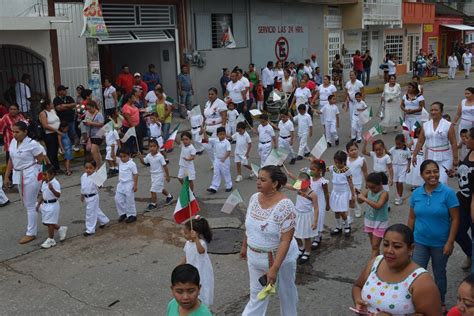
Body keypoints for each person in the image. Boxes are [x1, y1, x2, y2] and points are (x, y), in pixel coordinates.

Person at [240, 165, 299, 315]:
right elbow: (249, 226)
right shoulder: (254, 198)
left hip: (280, 260)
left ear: (275, 183)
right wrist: (244, 246)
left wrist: (274, 268)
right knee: (256, 297)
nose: (258, 182)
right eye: (257, 178)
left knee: (286, 293)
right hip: (254, 259)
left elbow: (286, 240)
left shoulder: (286, 206)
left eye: (263, 179)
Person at [352, 224, 442, 315]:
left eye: (397, 246)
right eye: (386, 245)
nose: (389, 251)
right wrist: (358, 300)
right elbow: (358, 286)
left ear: (411, 249)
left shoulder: (422, 282)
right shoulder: (375, 262)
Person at [408, 159, 460, 308]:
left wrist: (450, 242)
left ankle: (439, 303)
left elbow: (456, 219)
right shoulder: (416, 193)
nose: (433, 175)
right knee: (416, 274)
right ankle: (415, 302)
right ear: (421, 175)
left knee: (439, 275)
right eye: (428, 172)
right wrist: (407, 241)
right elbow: (412, 217)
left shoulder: (448, 193)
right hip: (419, 242)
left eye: (435, 171)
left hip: (441, 244)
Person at [4, 122, 46, 244]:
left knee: (30, 205)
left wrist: (41, 178)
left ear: (25, 132)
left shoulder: (32, 144)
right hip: (18, 175)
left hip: (31, 175)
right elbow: (11, 160)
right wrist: (7, 176)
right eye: (13, 131)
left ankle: (31, 233)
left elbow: (41, 162)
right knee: (29, 203)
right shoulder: (12, 142)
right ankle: (50, 215)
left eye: (17, 132)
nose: (14, 134)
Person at [413, 102, 458, 184]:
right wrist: (414, 155)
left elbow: (453, 143)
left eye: (436, 110)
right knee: (431, 181)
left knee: (442, 181)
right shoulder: (425, 125)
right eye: (432, 110)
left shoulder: (448, 125)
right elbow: (420, 142)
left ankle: (444, 196)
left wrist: (455, 159)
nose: (433, 112)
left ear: (441, 111)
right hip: (430, 157)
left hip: (445, 158)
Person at [180, 216, 214, 307]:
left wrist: (196, 239)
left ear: (194, 233)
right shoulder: (187, 243)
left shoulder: (201, 243)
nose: (183, 234)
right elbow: (186, 255)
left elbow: (201, 251)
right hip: (190, 271)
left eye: (186, 233)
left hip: (201, 271)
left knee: (201, 288)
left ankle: (202, 305)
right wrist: (180, 266)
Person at [285, 172, 318, 264]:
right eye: (300, 183)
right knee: (295, 233)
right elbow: (288, 186)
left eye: (304, 183)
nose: (302, 185)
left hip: (307, 216)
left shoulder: (312, 194)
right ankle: (301, 247)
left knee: (307, 236)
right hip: (297, 214)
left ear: (308, 183)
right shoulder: (299, 188)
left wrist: (315, 221)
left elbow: (316, 208)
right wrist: (280, 182)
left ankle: (307, 251)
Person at [454, 127, 474, 273]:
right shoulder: (470, 152)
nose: (464, 140)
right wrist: (455, 173)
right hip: (462, 201)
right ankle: (470, 253)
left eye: (467, 138)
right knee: (458, 232)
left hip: (472, 205)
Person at [357, 172, 389, 258]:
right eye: (369, 187)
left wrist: (364, 199)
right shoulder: (369, 191)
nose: (371, 189)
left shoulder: (384, 194)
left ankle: (372, 266)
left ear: (380, 184)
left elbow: (378, 206)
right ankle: (377, 262)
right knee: (374, 246)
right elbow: (360, 201)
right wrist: (358, 195)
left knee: (375, 246)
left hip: (380, 222)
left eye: (373, 187)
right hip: (369, 220)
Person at [36, 165, 67, 249]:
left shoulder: (55, 183)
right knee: (45, 222)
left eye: (45, 175)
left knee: (49, 223)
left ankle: (51, 240)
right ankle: (61, 228)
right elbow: (43, 194)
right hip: (45, 204)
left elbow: (58, 195)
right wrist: (39, 203)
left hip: (53, 205)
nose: (43, 176)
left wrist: (52, 189)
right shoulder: (44, 183)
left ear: (52, 174)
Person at [138, 138, 173, 211]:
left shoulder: (160, 156)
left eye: (154, 146)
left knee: (153, 190)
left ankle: (154, 204)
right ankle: (169, 196)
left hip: (159, 175)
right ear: (148, 148)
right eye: (150, 146)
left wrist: (167, 176)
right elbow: (144, 162)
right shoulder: (148, 156)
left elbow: (165, 166)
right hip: (153, 176)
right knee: (160, 188)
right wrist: (140, 157)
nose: (152, 148)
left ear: (157, 147)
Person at [329, 151, 356, 237]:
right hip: (335, 192)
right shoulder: (333, 168)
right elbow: (322, 168)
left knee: (341, 211)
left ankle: (347, 225)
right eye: (335, 162)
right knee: (336, 210)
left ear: (344, 161)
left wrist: (353, 194)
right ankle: (338, 226)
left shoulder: (347, 171)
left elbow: (351, 183)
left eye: (338, 162)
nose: (337, 164)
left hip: (343, 193)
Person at [81, 160, 110, 236]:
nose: (88, 170)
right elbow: (83, 187)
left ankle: (90, 230)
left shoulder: (95, 176)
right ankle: (104, 220)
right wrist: (82, 195)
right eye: (86, 168)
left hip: (93, 197)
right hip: (87, 197)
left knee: (90, 213)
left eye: (90, 168)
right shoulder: (83, 176)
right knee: (95, 210)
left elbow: (100, 185)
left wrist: (99, 183)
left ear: (94, 168)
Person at [205, 126, 232, 194]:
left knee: (225, 173)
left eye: (223, 134)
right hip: (217, 159)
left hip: (224, 160)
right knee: (216, 173)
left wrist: (224, 158)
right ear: (217, 135)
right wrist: (204, 132)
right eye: (220, 134)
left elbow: (228, 151)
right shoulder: (215, 140)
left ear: (225, 134)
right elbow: (206, 139)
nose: (222, 136)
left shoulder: (226, 142)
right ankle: (214, 187)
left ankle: (229, 185)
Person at [115, 148, 138, 224]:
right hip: (121, 183)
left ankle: (132, 215)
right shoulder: (120, 162)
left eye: (124, 156)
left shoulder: (132, 164)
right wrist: (112, 148)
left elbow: (135, 174)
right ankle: (123, 213)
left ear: (129, 155)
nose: (122, 158)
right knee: (118, 199)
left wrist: (135, 185)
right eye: (121, 156)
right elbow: (112, 156)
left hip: (129, 183)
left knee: (129, 200)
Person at [346, 140, 368, 218]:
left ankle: (354, 212)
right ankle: (355, 209)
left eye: (355, 149)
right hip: (347, 183)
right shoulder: (346, 160)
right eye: (351, 150)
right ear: (348, 151)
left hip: (357, 183)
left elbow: (365, 172)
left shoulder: (361, 160)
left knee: (354, 198)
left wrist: (367, 183)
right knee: (350, 198)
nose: (354, 151)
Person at [39, 97, 61, 171]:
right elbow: (45, 125)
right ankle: (50, 168)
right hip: (49, 134)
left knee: (55, 151)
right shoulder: (43, 113)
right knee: (51, 151)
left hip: (55, 133)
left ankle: (56, 167)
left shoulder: (52, 111)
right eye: (51, 103)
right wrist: (55, 130)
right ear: (47, 105)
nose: (52, 104)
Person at [390, 134, 411, 206]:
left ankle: (400, 197)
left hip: (403, 167)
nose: (397, 145)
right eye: (396, 143)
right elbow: (388, 153)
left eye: (399, 144)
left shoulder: (407, 150)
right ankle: (398, 194)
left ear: (403, 142)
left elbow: (409, 159)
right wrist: (384, 148)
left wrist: (408, 167)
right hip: (395, 167)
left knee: (400, 182)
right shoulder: (393, 149)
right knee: (396, 182)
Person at [83, 101, 104, 167]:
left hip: (98, 134)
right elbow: (86, 120)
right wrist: (85, 122)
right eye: (87, 109)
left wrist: (91, 123)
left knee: (93, 151)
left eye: (90, 109)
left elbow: (101, 124)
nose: (89, 110)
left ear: (94, 107)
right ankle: (99, 164)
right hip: (90, 134)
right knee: (97, 151)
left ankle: (97, 166)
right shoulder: (87, 113)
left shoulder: (99, 114)